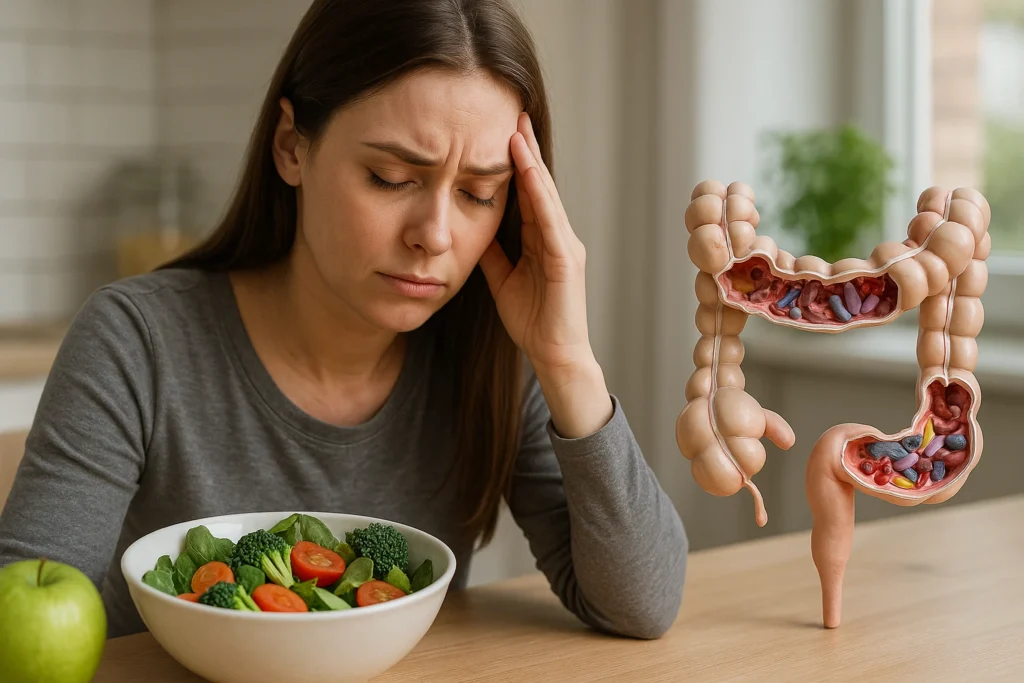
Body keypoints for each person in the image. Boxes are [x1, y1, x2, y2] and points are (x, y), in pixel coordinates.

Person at [0, 0, 687, 639]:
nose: (436, 234)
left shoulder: (496, 356)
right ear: (292, 146)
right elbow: (22, 628)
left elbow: (641, 603)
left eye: (480, 193)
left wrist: (568, 360)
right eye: (391, 178)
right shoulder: (135, 342)